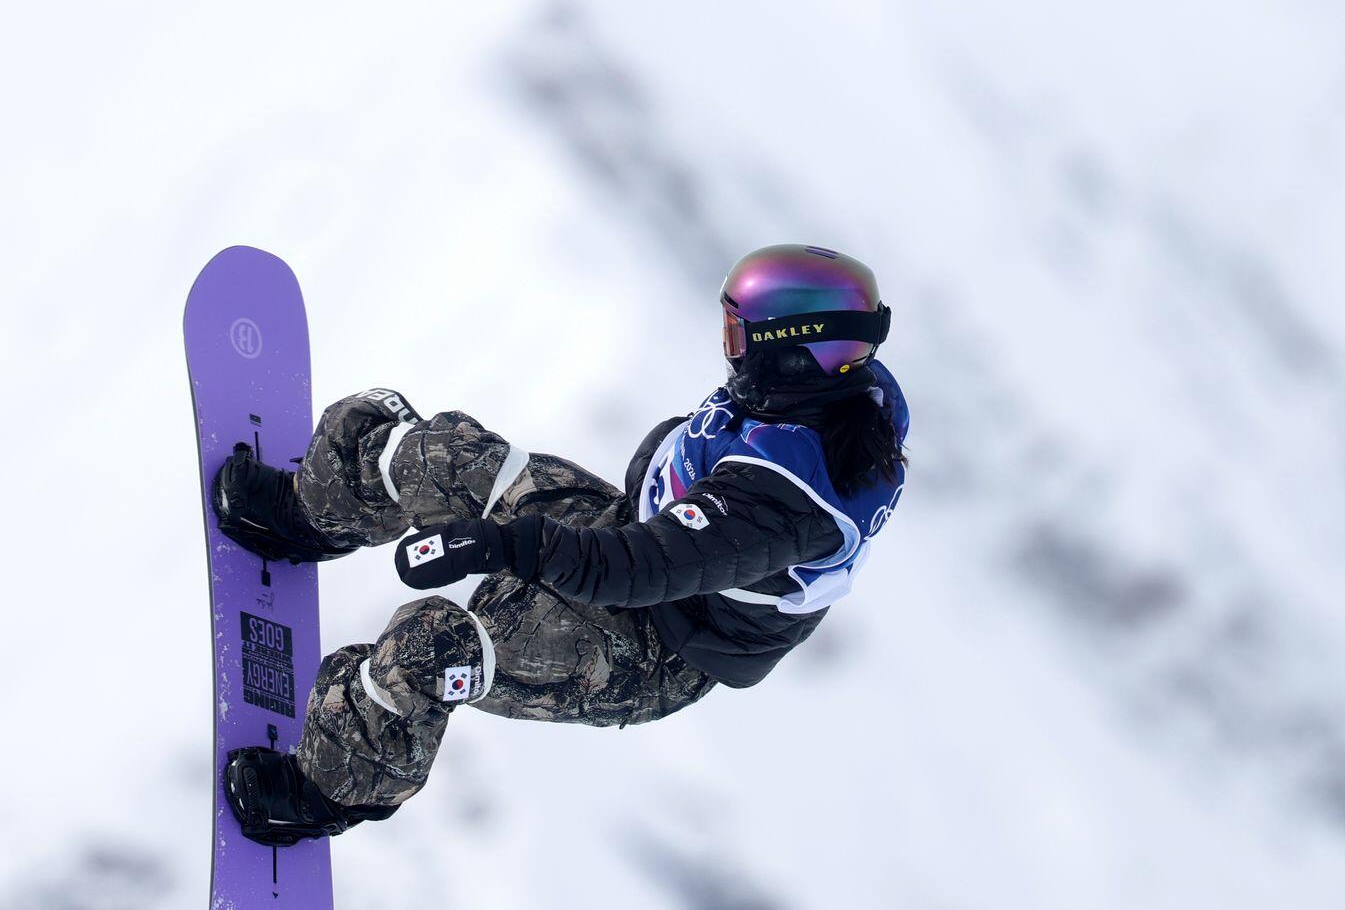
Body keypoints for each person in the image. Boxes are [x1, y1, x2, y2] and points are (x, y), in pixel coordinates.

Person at [209, 244, 907, 845]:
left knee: (432, 647)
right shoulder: (817, 399)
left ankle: (325, 791)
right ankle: (308, 515)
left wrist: (500, 546)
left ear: (791, 354)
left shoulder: (786, 501)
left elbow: (645, 568)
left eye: (741, 335)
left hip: (650, 644)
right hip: (623, 532)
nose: (730, 351)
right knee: (441, 455)